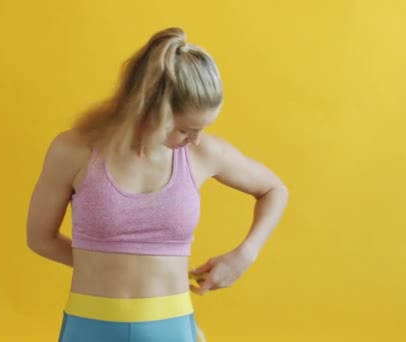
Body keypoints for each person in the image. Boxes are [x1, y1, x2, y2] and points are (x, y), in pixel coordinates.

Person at [26, 27, 289, 342]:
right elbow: (40, 238)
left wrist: (244, 255)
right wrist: (102, 261)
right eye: (185, 129)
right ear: (148, 108)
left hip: (172, 327)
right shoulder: (74, 150)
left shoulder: (200, 153)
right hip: (90, 326)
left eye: (202, 128)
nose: (196, 139)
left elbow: (274, 190)